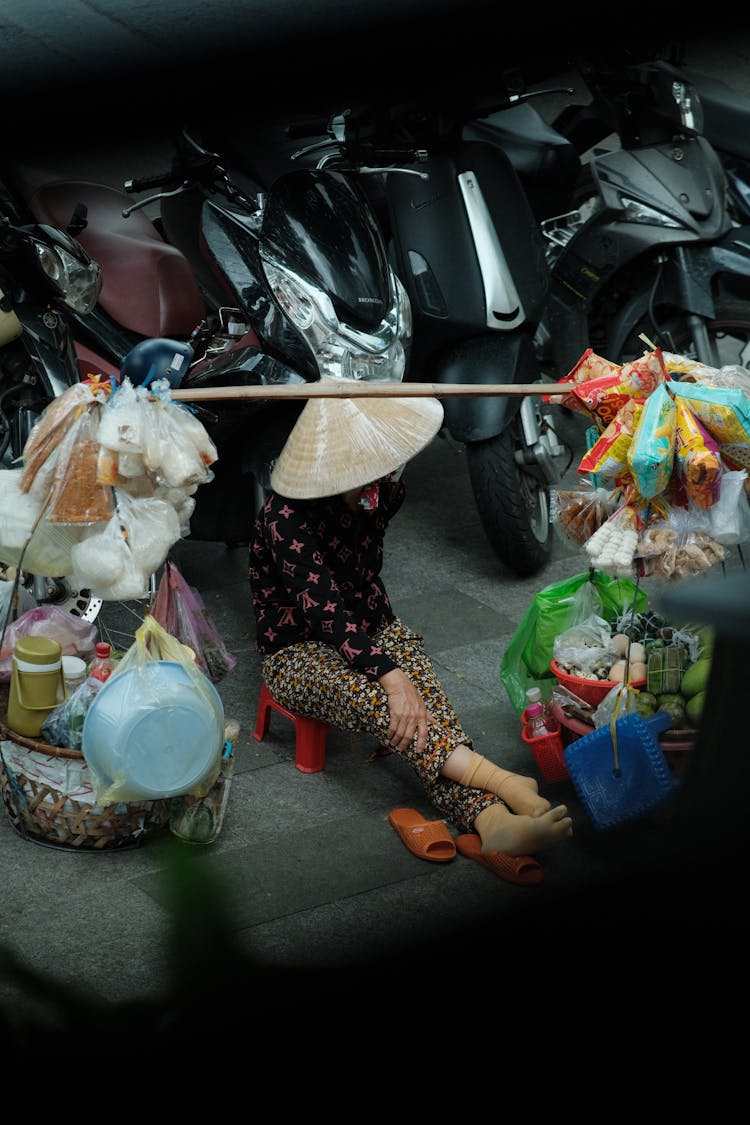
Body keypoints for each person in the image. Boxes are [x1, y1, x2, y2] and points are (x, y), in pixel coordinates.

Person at [248, 386, 573, 878]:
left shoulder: (381, 490)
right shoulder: (283, 518)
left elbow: (363, 584)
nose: (370, 482)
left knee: (426, 711)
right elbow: (328, 613)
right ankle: (503, 785)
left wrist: (399, 674)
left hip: (374, 624)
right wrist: (391, 678)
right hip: (298, 651)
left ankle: (490, 822)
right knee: (387, 704)